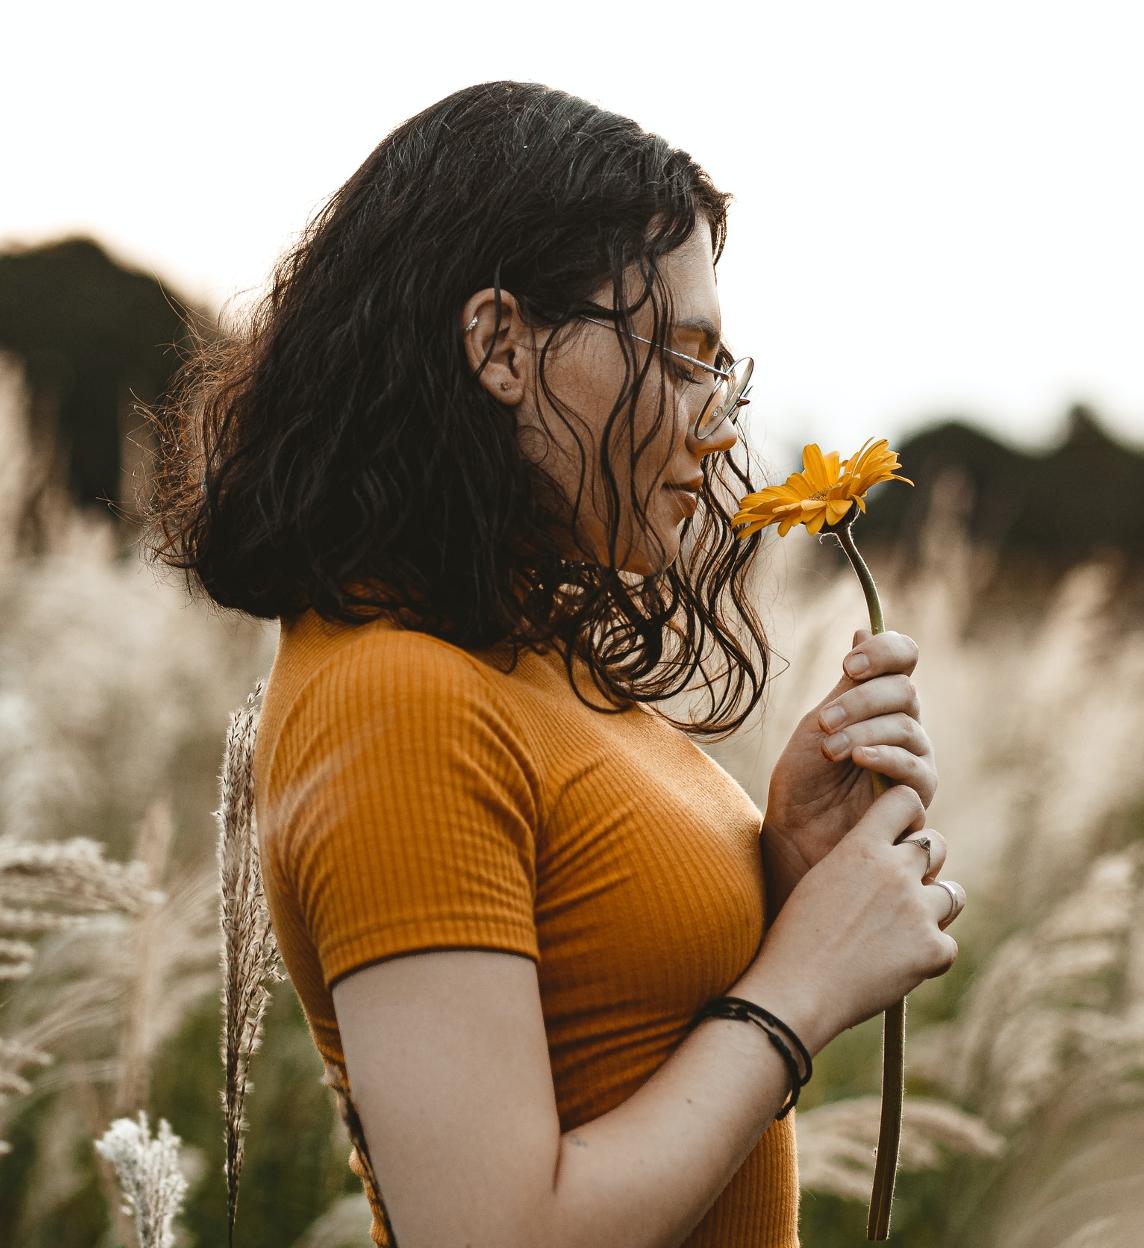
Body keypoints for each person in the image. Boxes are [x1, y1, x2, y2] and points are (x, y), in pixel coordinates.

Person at [139, 80, 964, 1248]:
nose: (719, 424)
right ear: (499, 344)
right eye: (681, 361)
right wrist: (801, 993)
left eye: (719, 373)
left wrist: (785, 871)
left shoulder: (517, 657)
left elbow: (613, 1031)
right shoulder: (395, 697)